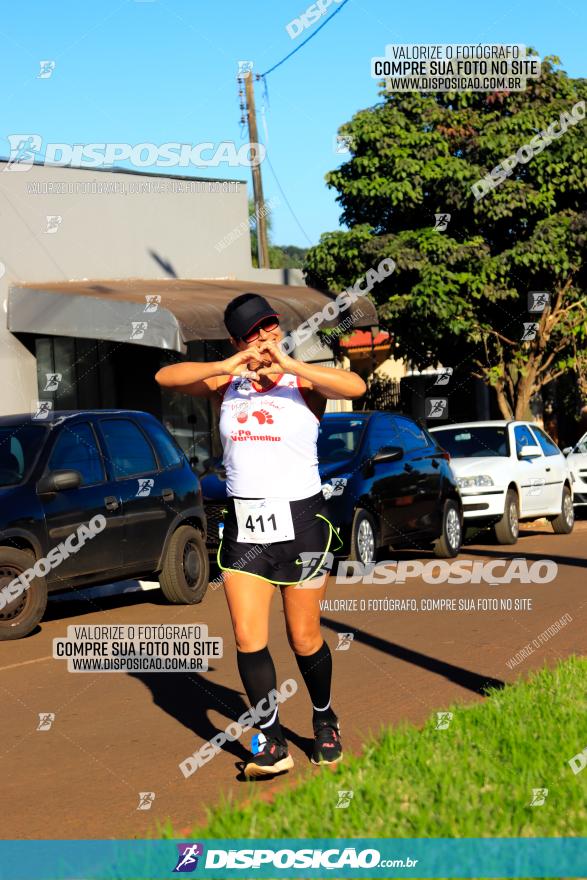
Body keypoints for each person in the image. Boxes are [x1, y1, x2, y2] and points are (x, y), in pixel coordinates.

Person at [155, 293, 366, 777]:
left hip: (304, 525)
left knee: (304, 636)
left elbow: (354, 385)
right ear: (237, 340)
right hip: (247, 526)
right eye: (254, 333)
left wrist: (291, 364)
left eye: (270, 328)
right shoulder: (228, 385)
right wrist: (233, 365)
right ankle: (271, 740)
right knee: (249, 638)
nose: (265, 338)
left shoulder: (303, 383)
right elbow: (165, 377)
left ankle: (324, 719)